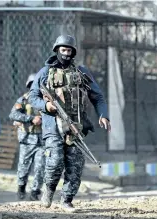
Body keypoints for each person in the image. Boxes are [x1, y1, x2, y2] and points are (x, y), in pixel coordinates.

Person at [28, 35, 111, 212]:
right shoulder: (45, 72)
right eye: (63, 50)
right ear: (57, 50)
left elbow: (97, 96)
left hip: (75, 126)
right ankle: (49, 189)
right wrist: (46, 105)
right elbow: (33, 97)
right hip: (53, 125)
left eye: (69, 51)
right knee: (56, 160)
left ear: (73, 53)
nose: (65, 54)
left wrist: (103, 115)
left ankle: (67, 200)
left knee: (76, 165)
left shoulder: (81, 72)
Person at [9, 74, 45, 201]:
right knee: (23, 166)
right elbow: (13, 114)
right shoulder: (23, 100)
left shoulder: (46, 100)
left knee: (40, 167)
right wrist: (30, 119)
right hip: (27, 139)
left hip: (42, 140)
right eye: (31, 85)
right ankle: (21, 188)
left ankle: (35, 191)